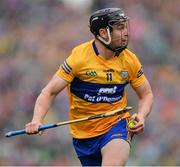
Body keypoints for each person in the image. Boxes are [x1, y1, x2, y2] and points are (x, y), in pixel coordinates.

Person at [25, 8, 153, 166]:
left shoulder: (130, 60)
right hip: (83, 136)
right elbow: (49, 92)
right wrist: (36, 120)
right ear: (103, 32)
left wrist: (141, 115)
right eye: (119, 28)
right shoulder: (78, 58)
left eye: (125, 26)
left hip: (117, 125)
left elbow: (146, 94)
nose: (126, 32)